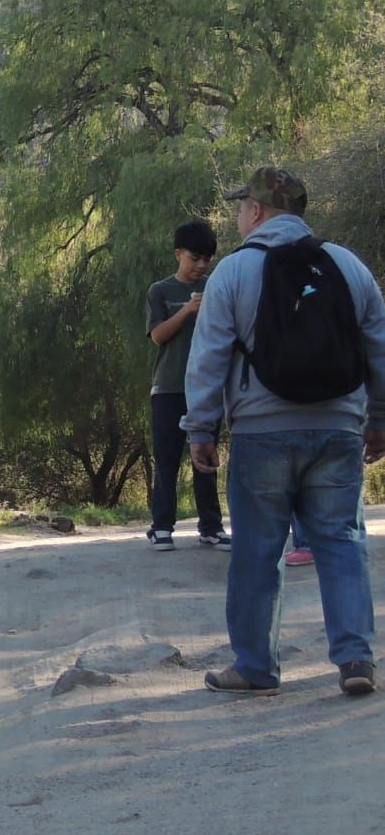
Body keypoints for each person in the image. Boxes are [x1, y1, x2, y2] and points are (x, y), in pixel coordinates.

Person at [184, 166, 385, 697]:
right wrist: (379, 420)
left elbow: (208, 359)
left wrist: (200, 429)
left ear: (255, 211)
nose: (237, 216)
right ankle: (355, 659)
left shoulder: (232, 272)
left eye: (239, 207)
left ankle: (255, 668)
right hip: (339, 428)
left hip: (262, 432)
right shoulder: (347, 266)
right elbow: (378, 349)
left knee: (257, 550)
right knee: (342, 542)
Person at [145, 220, 228, 552]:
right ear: (178, 253)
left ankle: (211, 527)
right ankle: (162, 526)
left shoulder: (216, 287)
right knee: (166, 460)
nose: (201, 265)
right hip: (168, 388)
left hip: (206, 389)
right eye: (195, 258)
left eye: (207, 259)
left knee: (206, 458)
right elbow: (157, 336)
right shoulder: (160, 291)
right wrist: (188, 311)